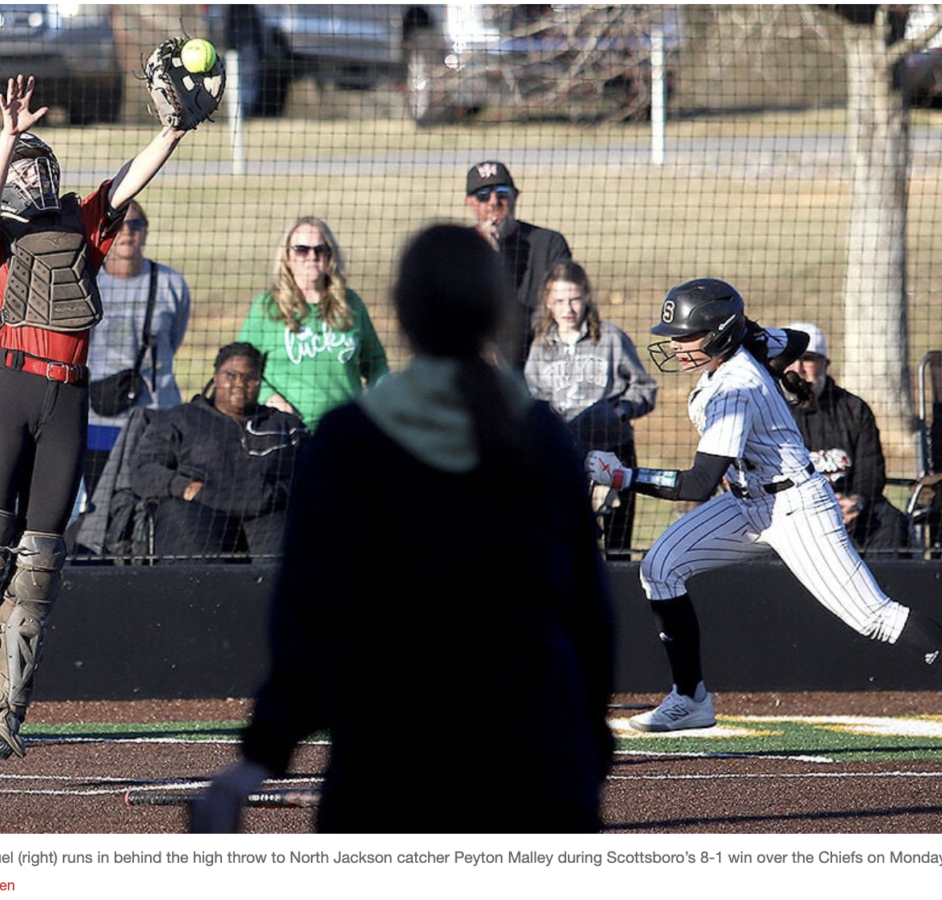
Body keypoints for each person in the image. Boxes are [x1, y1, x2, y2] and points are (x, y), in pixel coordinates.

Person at [192, 224, 614, 833]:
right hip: (537, 757)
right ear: (496, 310)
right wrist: (592, 743)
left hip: (389, 762)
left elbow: (311, 613)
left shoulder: (352, 439)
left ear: (401, 313)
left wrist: (262, 755)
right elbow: (589, 612)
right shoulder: (539, 436)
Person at [586, 278, 942, 757]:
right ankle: (690, 697)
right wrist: (755, 335)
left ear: (718, 334)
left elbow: (697, 485)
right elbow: (794, 341)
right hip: (752, 500)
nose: (676, 344)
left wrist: (622, 476)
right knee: (660, 567)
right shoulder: (744, 348)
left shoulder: (736, 387)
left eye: (688, 335)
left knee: (873, 617)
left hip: (796, 507)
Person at [0, 74, 194, 760]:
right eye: (23, 164)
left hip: (67, 397)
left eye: (41, 161)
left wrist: (174, 130)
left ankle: (5, 702)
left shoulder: (80, 224)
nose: (36, 173)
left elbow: (128, 184)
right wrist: (8, 136)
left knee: (41, 559)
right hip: (6, 390)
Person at [524, 261, 657, 557]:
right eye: (559, 301)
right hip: (565, 457)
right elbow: (534, 398)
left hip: (613, 450)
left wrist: (619, 411)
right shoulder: (542, 345)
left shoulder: (610, 338)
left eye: (574, 299)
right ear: (547, 302)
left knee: (617, 544)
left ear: (586, 296)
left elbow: (645, 388)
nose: (567, 309)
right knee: (570, 543)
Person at [130, 342, 307, 563]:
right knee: (179, 518)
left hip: (268, 513)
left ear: (260, 382)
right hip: (200, 511)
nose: (239, 384)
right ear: (216, 377)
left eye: (249, 378)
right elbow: (143, 470)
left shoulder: (285, 425)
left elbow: (315, 475)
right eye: (230, 375)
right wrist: (184, 487)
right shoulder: (181, 418)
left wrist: (276, 493)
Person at [236, 216, 388, 431]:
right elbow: (240, 367)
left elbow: (376, 362)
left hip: (344, 432)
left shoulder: (351, 304)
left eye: (320, 249)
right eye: (301, 249)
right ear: (287, 257)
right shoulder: (267, 308)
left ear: (330, 255)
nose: (312, 256)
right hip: (286, 434)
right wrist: (273, 401)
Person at [83, 200, 191, 494]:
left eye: (136, 224)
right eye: (119, 225)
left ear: (145, 232)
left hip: (158, 412)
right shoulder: (87, 282)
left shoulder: (171, 283)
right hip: (98, 417)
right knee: (99, 505)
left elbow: (174, 339)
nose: (128, 232)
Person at [782, 322, 908, 554]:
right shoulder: (769, 412)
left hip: (849, 506)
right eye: (791, 359)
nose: (799, 368)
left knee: (889, 520)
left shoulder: (853, 409)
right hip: (791, 511)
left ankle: (882, 589)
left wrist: (856, 502)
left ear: (825, 365)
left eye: (809, 359)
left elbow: (871, 469)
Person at [465, 161, 572, 369]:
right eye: (483, 195)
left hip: (542, 357)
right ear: (470, 203)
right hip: (478, 365)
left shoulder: (548, 243)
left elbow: (564, 305)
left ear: (515, 196)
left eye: (502, 192)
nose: (494, 202)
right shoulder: (458, 247)